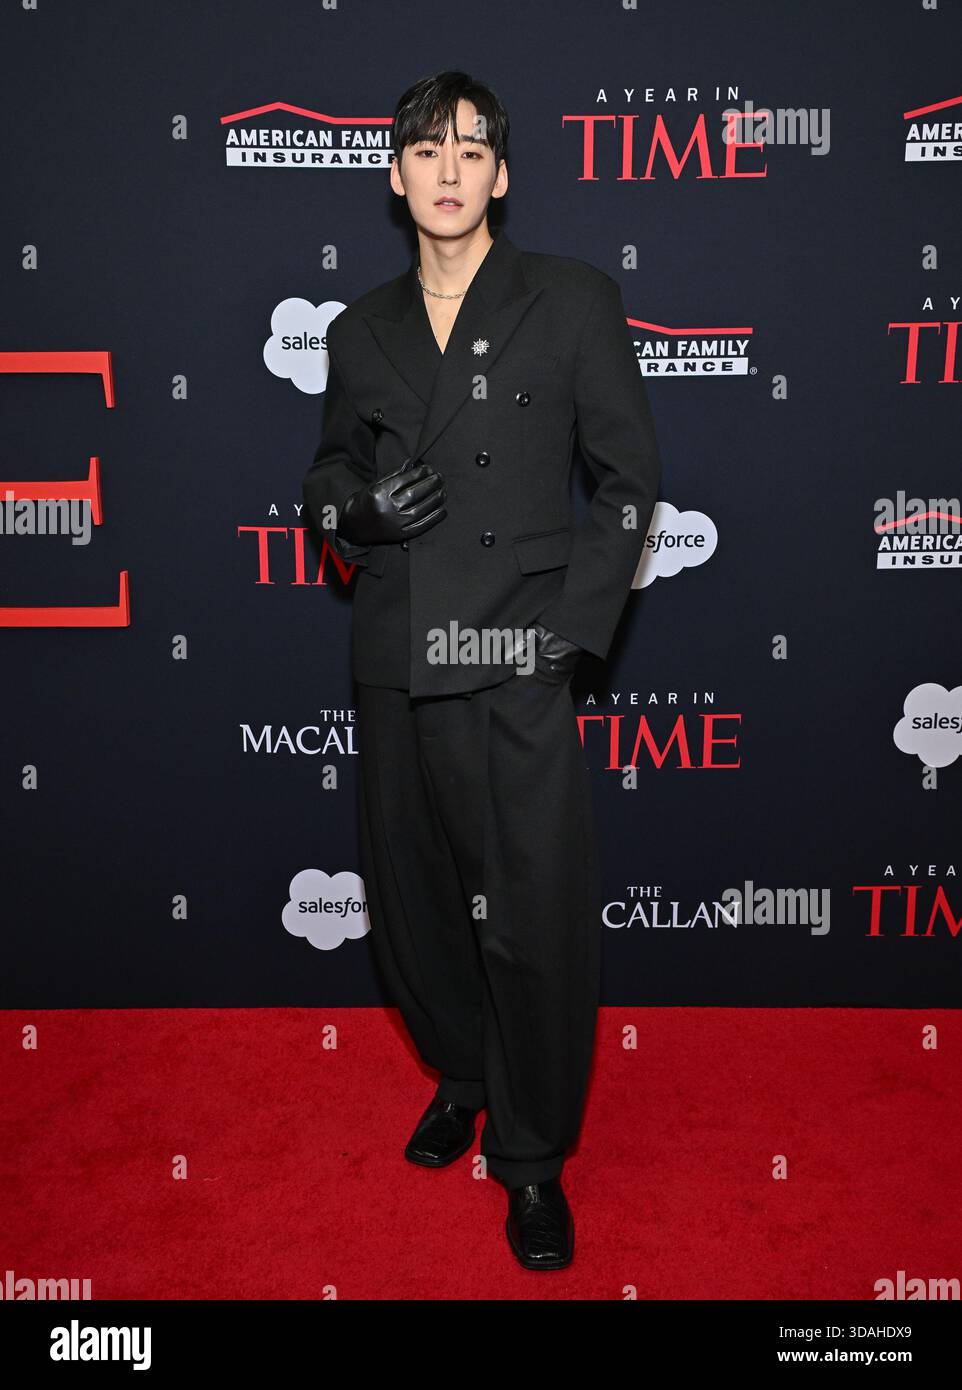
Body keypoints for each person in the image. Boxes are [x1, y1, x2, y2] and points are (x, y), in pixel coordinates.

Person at [302, 70, 662, 1270]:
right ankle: (461, 1073)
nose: (448, 169)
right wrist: (355, 512)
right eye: (424, 149)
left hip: (512, 651)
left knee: (530, 923)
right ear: (392, 176)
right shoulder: (356, 332)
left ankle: (529, 1158)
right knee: (412, 913)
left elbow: (624, 480)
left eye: (471, 149)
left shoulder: (567, 299)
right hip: (397, 652)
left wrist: (569, 630)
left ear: (501, 175)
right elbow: (322, 479)